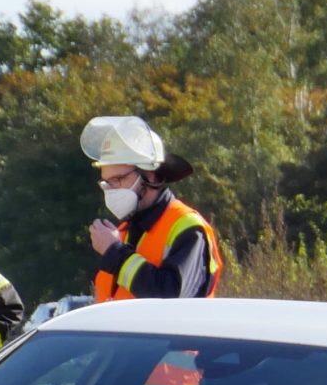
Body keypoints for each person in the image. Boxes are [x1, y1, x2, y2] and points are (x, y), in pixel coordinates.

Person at [82, 116, 222, 301]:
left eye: (118, 179)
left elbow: (172, 298)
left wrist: (116, 254)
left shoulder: (187, 228)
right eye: (107, 182)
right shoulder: (121, 234)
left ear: (150, 176)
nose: (112, 189)